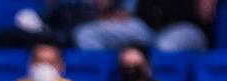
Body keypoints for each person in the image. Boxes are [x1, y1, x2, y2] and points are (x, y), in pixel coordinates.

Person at [72, 0, 213, 51]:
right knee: (86, 34)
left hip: (185, 28)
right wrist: (123, 12)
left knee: (164, 48)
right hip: (145, 26)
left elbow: (206, 14)